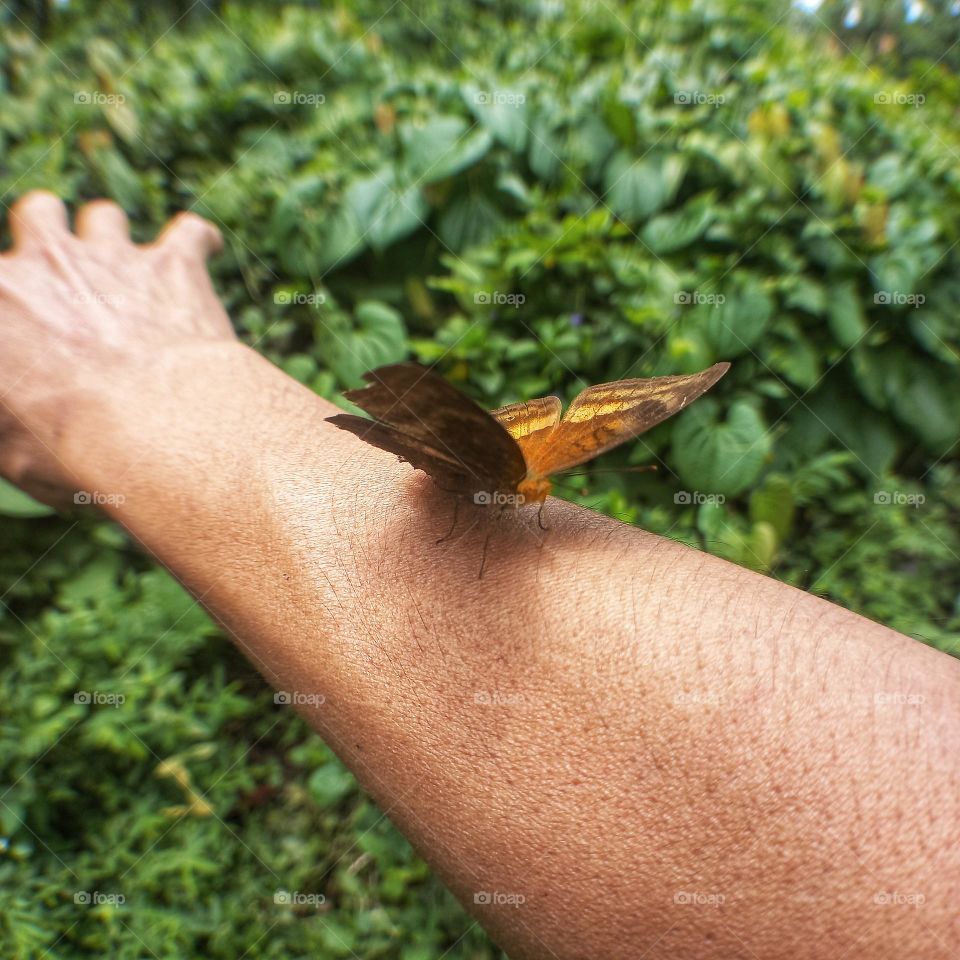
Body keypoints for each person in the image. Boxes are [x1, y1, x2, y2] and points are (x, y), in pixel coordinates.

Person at [1, 191, 957, 959]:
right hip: (472, 463)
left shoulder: (524, 484)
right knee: (506, 482)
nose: (544, 513)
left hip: (477, 460)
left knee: (517, 487)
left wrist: (149, 401)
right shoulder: (509, 477)